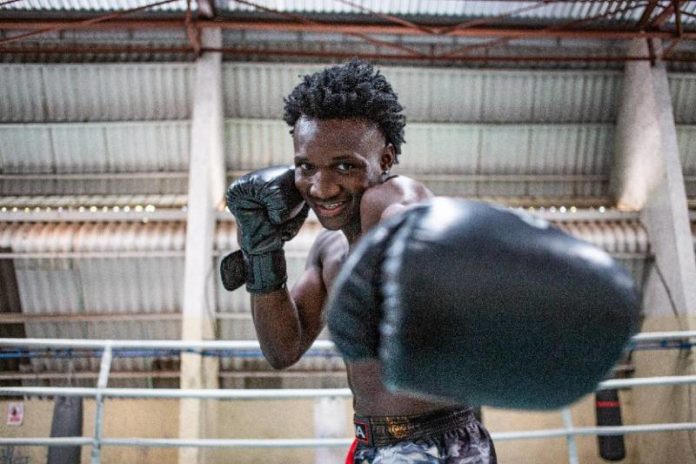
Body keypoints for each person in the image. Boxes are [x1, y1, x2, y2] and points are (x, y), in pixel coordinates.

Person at [223, 59, 497, 463]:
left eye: (344, 166)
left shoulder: (391, 199)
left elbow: (410, 216)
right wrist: (261, 249)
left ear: (385, 161)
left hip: (437, 441)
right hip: (374, 443)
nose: (321, 186)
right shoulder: (327, 250)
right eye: (306, 167)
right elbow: (283, 348)